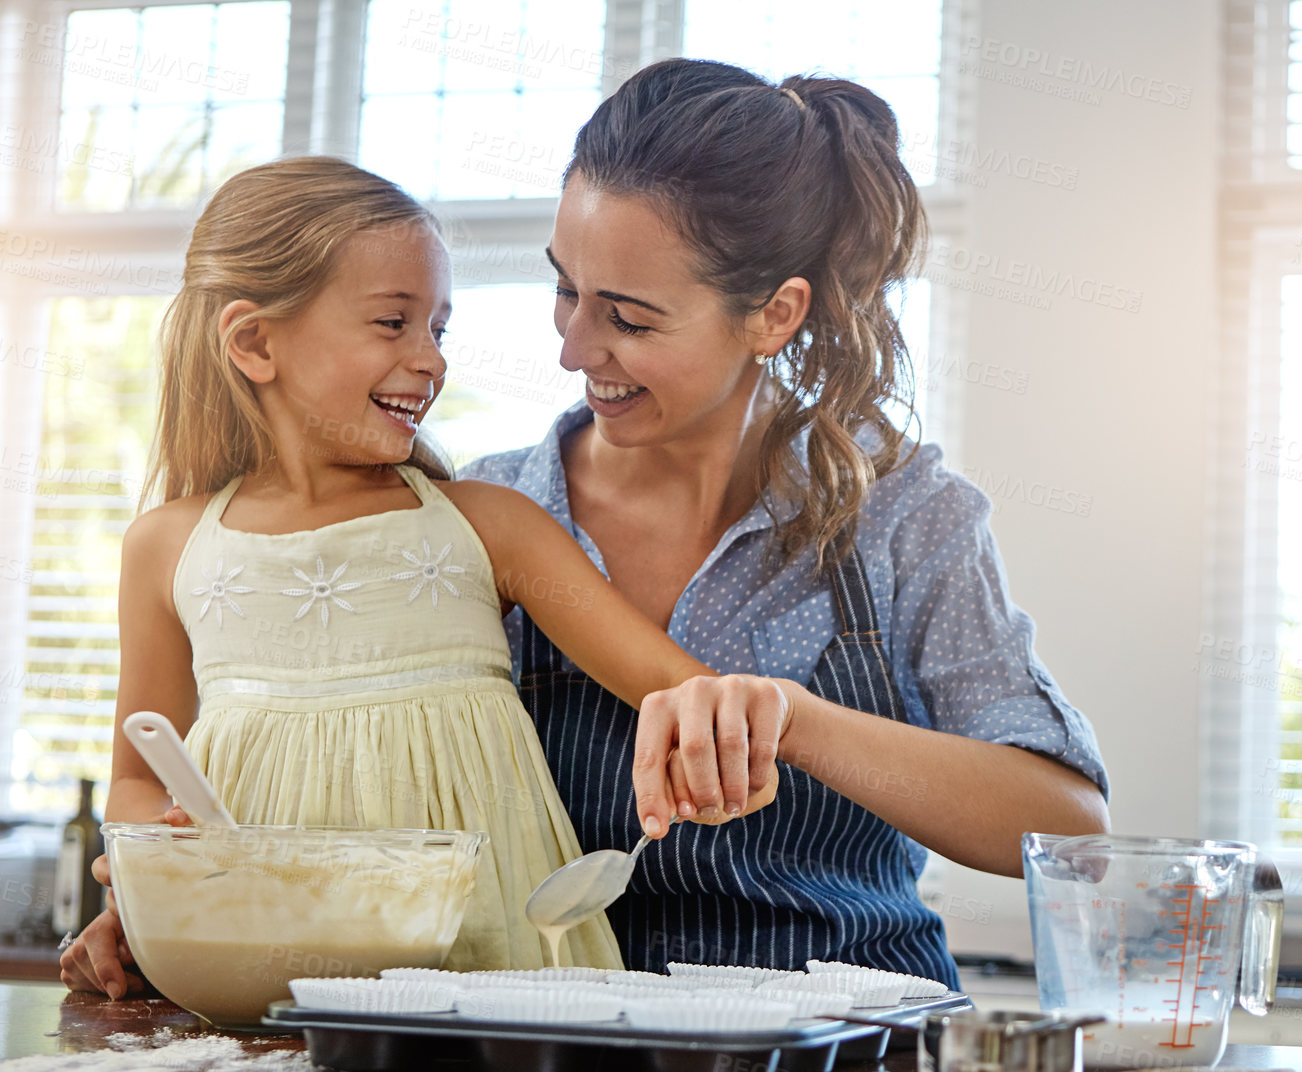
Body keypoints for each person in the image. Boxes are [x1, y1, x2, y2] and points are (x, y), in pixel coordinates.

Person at [58, 156, 784, 999]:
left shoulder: (488, 526)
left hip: (491, 962)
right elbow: (140, 777)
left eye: (436, 330)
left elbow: (683, 689)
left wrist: (717, 734)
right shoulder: (165, 547)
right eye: (392, 323)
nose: (430, 361)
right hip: (254, 964)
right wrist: (159, 864)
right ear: (255, 342)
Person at [461, 59, 1111, 988]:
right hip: (557, 1058)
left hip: (850, 1070)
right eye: (566, 289)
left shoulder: (903, 514)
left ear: (774, 314)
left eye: (631, 320)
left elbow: (1068, 828)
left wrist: (797, 723)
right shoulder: (490, 512)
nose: (572, 349)